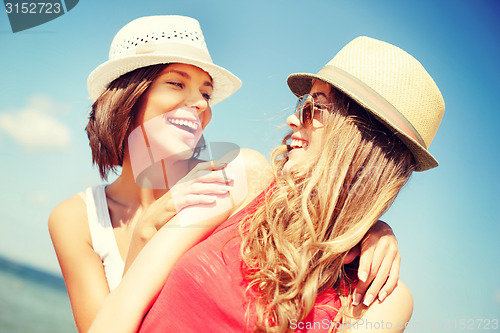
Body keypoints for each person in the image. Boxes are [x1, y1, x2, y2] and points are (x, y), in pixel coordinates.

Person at [49, 15, 403, 332]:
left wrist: (374, 230)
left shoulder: (230, 176)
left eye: (206, 92)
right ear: (130, 93)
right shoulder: (76, 218)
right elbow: (108, 321)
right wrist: (144, 232)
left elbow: (312, 208)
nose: (201, 103)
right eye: (176, 83)